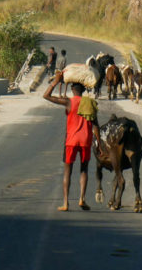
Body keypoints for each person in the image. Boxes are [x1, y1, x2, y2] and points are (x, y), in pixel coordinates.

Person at [43, 71, 101, 211]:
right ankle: (82, 199)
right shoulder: (89, 103)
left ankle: (65, 203)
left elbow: (46, 96)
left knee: (67, 171)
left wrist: (55, 81)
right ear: (84, 90)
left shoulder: (68, 102)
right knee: (84, 170)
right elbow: (96, 126)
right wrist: (98, 143)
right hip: (86, 140)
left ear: (72, 90)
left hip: (71, 141)